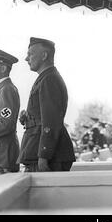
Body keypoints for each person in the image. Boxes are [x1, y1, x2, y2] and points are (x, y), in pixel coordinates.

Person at [17, 37, 75, 172]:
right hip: (39, 150)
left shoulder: (49, 80)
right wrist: (29, 117)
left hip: (48, 156)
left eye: (30, 54)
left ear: (44, 55)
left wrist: (44, 155)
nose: (26, 59)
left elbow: (51, 121)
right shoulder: (46, 78)